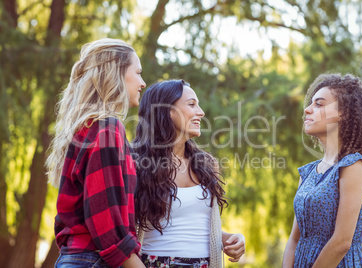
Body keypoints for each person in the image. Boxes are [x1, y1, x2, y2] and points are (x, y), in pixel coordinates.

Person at [46, 38, 146, 268]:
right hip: (92, 260)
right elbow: (105, 220)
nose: (142, 82)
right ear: (116, 73)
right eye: (138, 72)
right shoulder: (107, 127)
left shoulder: (89, 127)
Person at [133, 79, 246, 268]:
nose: (200, 112)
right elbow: (121, 233)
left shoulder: (206, 165)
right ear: (167, 111)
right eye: (192, 104)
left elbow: (200, 229)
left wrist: (232, 239)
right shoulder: (137, 164)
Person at [282, 73, 362, 267]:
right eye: (311, 104)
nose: (307, 110)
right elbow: (294, 240)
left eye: (319, 104)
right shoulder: (308, 173)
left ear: (343, 113)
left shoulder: (354, 166)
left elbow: (341, 242)